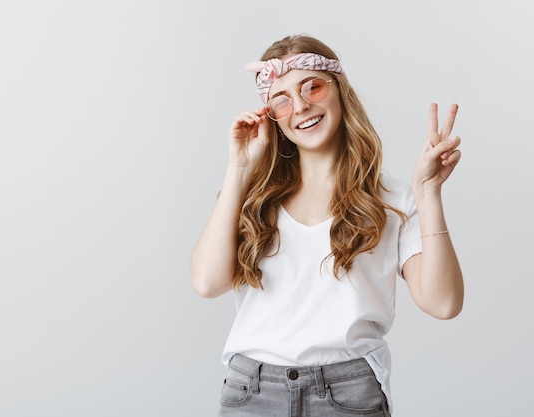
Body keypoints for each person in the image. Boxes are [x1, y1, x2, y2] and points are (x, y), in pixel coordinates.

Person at [191, 34, 464, 417]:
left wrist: (428, 192)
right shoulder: (251, 194)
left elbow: (443, 302)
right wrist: (238, 169)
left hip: (348, 395)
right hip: (250, 394)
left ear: (340, 89)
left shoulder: (394, 199)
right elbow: (207, 283)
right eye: (281, 99)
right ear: (271, 116)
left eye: (312, 87)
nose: (300, 106)